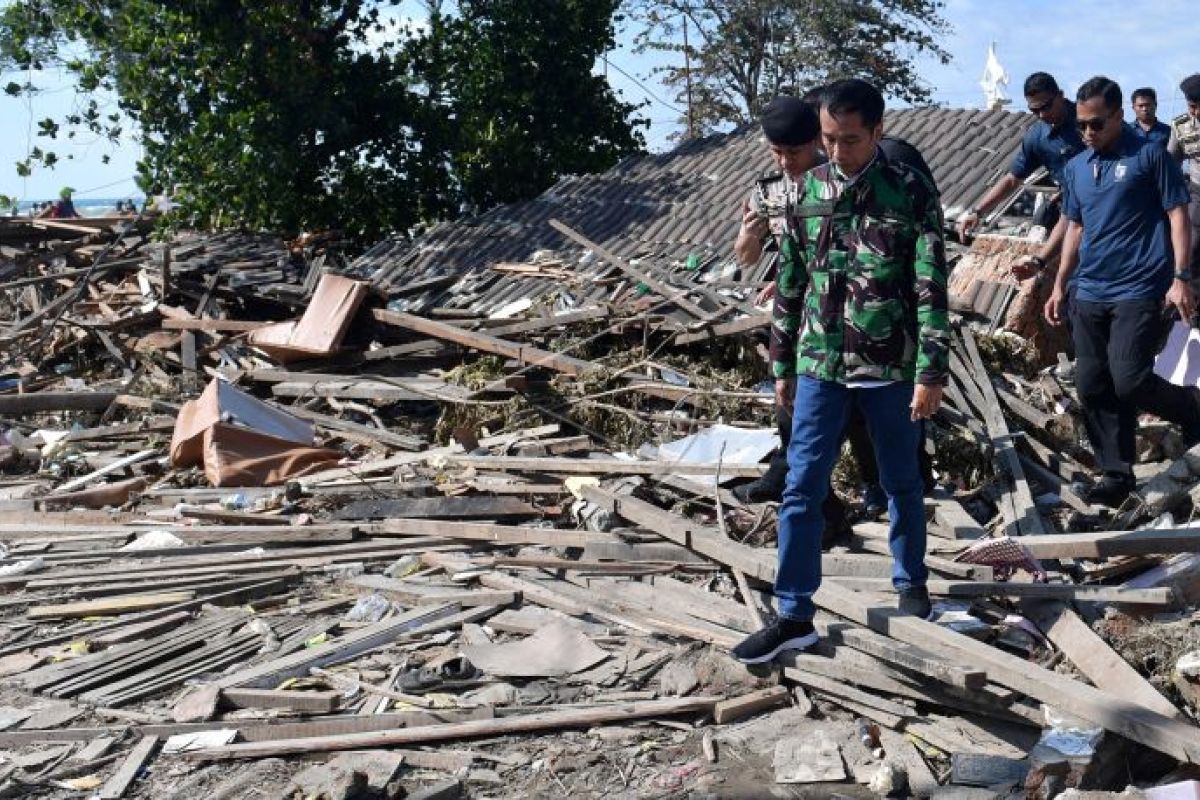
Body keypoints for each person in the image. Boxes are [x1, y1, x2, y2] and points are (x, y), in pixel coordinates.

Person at [732, 79, 948, 664]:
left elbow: (931, 284)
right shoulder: (807, 190)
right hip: (820, 362)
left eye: (850, 140)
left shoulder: (908, 191)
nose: (837, 151)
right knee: (802, 487)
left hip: (891, 364)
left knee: (901, 482)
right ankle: (793, 613)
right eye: (829, 139)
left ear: (878, 132)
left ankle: (910, 585)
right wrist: (782, 362)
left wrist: (932, 370)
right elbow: (791, 280)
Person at [1041, 76, 1199, 508]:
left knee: (1128, 378)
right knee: (1092, 383)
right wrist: (1058, 284)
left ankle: (1190, 408)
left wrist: (1180, 277)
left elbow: (1177, 215)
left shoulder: (1150, 156)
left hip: (1140, 286)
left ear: (1119, 116)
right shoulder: (1077, 167)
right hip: (1089, 289)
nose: (1088, 133)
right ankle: (1116, 473)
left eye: (1097, 125)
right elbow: (1074, 226)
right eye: (1082, 126)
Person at [959, 73, 1085, 280]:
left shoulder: (1088, 120)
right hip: (1073, 215)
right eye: (1034, 110)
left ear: (1060, 96)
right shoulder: (1037, 137)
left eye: (1046, 106)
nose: (1042, 114)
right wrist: (977, 212)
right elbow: (1012, 179)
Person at [1168, 74, 1200, 277]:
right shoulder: (1180, 126)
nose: (1196, 112)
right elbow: (1171, 163)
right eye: (1191, 106)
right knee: (1192, 246)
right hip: (1198, 191)